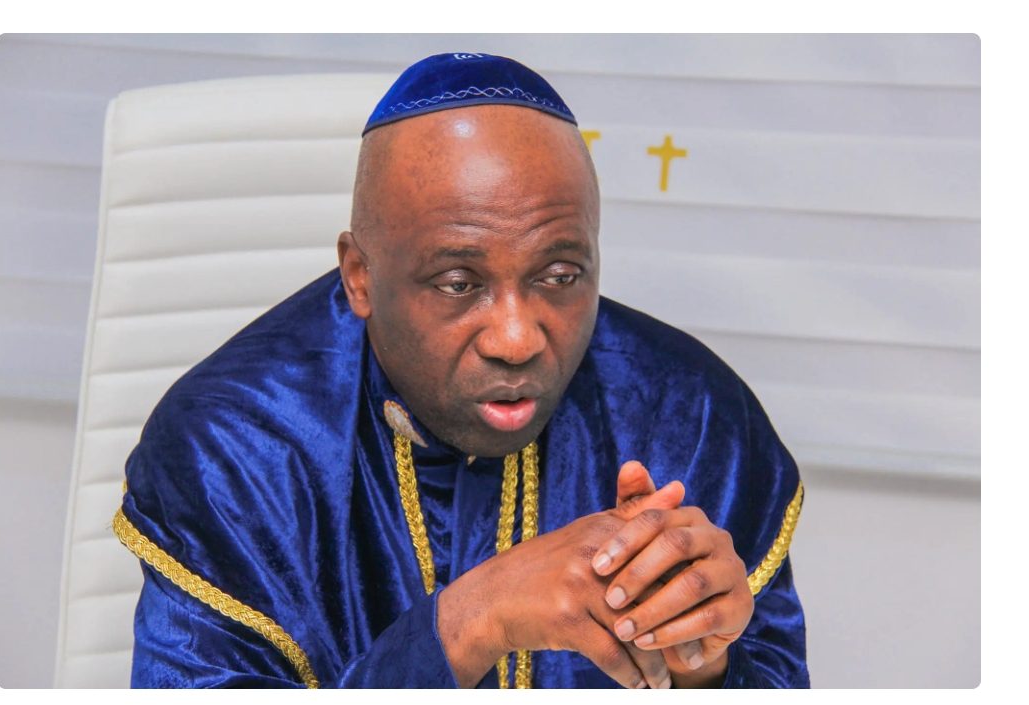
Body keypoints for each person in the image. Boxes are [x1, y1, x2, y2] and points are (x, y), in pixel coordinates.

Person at [114, 52, 808, 689]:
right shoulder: (231, 446)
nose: (516, 338)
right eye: (457, 283)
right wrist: (476, 617)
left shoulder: (693, 416)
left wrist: (700, 665)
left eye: (560, 275)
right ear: (359, 276)